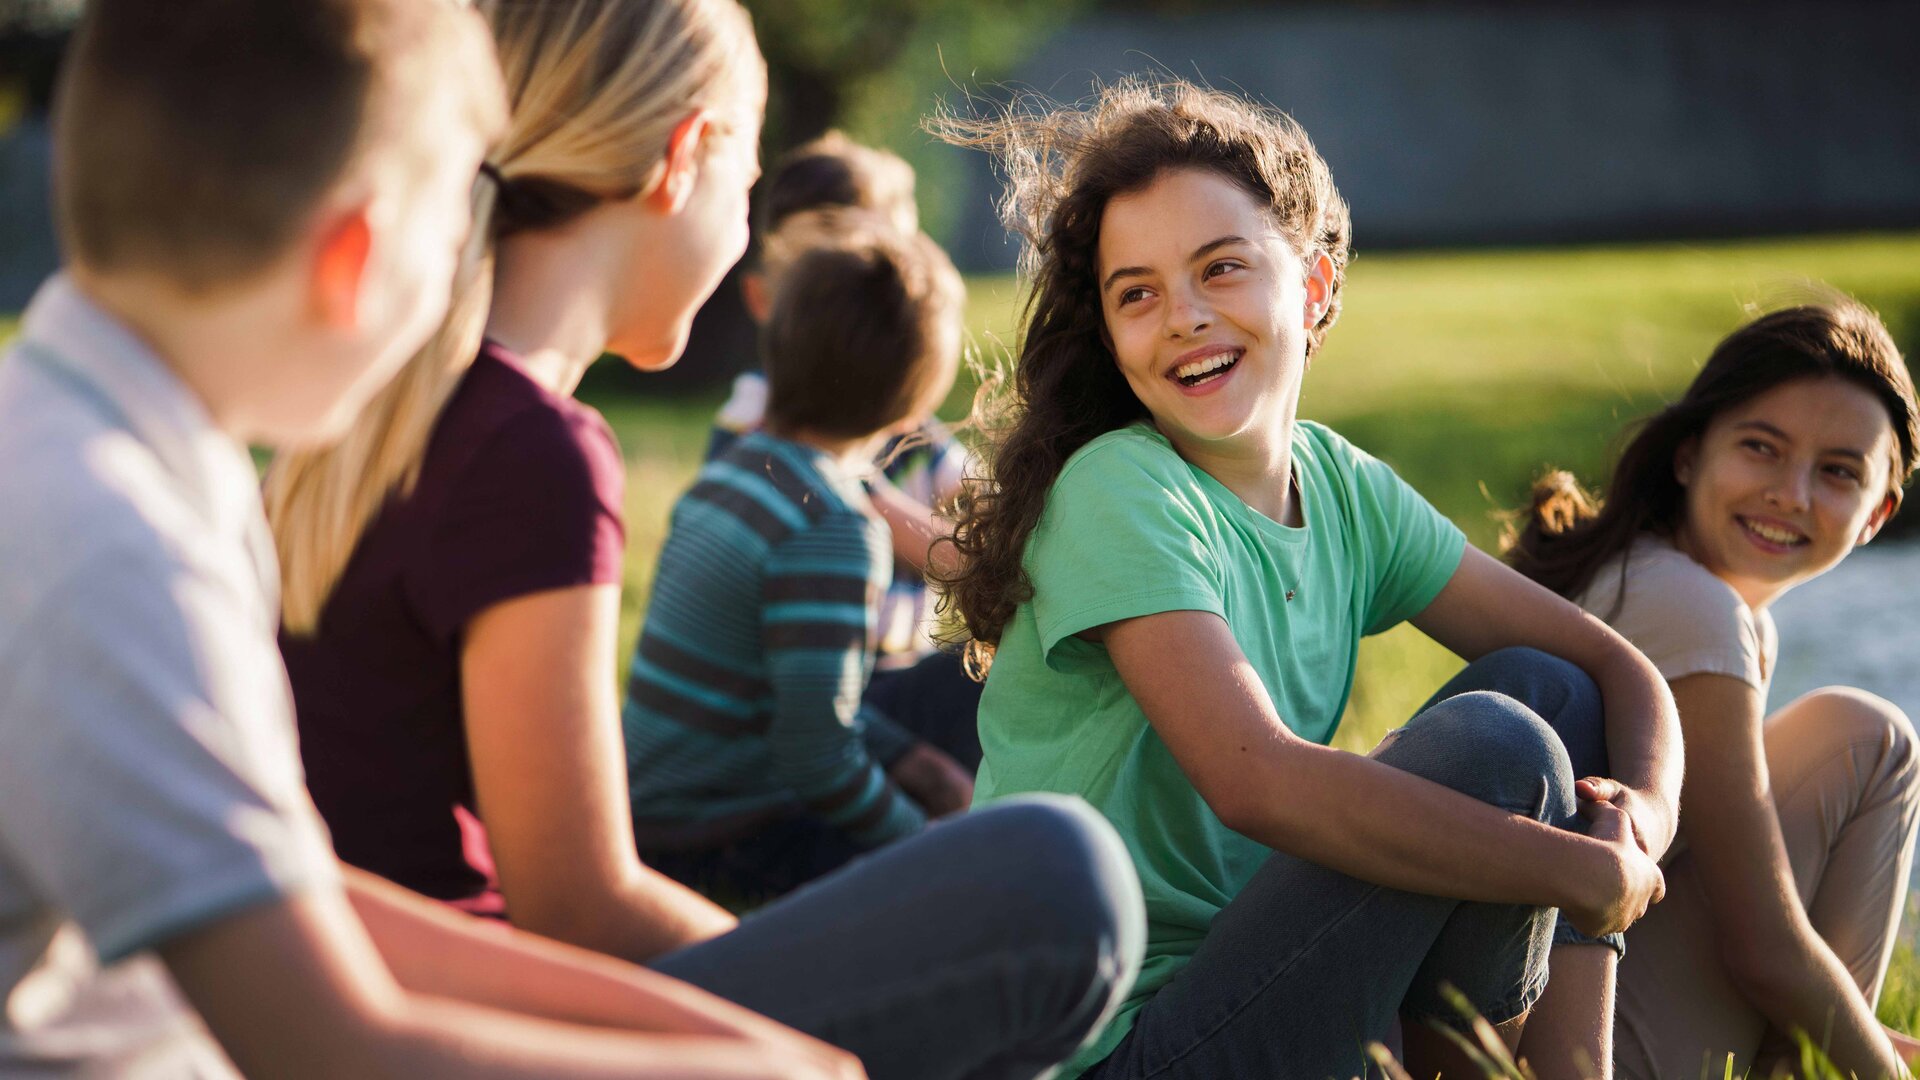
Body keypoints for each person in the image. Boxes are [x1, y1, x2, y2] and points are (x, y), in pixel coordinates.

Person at [268, 2, 1142, 1077]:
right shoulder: (532, 453)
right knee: (1057, 880)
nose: (745, 232)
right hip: (491, 1036)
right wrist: (781, 991)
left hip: (378, 1007)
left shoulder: (388, 393)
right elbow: (576, 906)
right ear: (686, 157)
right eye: (750, 171)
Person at [0, 1, 867, 1077]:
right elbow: (325, 1042)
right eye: (453, 227)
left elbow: (293, 888)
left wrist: (728, 1036)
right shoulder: (114, 546)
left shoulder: (120, 450)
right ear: (357, 258)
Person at [931, 77, 1685, 1080]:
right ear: (1111, 338)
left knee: (1548, 692)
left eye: (1222, 268)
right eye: (1137, 293)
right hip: (1102, 1052)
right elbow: (1259, 783)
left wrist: (1638, 816)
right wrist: (1582, 870)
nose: (1185, 317)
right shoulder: (1119, 488)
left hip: (1254, 984)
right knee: (1496, 743)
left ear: (1316, 286)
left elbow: (1610, 666)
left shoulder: (1343, 490)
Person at [1506, 298, 1920, 1080]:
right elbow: (1763, 948)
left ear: (1877, 515)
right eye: (1762, 448)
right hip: (1567, 1040)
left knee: (1847, 738)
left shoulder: (1651, 573)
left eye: (1837, 472)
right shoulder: (1691, 607)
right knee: (1872, 738)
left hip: (1551, 1002)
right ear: (1689, 454)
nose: (1791, 493)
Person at [626, 212, 971, 900]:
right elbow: (817, 758)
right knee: (976, 876)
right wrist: (926, 846)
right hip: (724, 840)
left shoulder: (738, 467)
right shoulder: (835, 528)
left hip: (650, 817)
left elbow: (800, 699)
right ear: (913, 405)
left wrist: (912, 760)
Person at [703, 130, 983, 771]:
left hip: (877, 689)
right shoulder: (765, 436)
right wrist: (1003, 568)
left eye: (894, 274)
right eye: (851, 281)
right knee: (978, 690)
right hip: (808, 710)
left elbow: (977, 491)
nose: (879, 311)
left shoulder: (897, 423)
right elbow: (952, 557)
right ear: (767, 298)